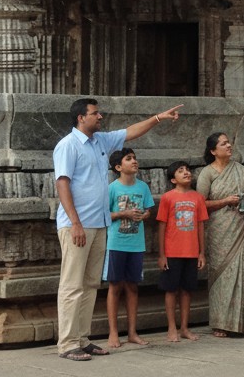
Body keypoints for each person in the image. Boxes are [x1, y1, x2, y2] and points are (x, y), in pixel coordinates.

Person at [53, 98, 182, 362]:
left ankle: (82, 339)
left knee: (90, 284)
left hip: (100, 224)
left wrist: (158, 117)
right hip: (77, 225)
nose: (99, 117)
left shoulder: (101, 141)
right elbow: (62, 184)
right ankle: (67, 343)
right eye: (95, 113)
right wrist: (75, 222)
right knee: (72, 285)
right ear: (81, 118)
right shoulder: (67, 146)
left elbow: (131, 131)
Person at [196, 131, 244, 337]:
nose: (229, 146)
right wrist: (225, 201)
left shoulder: (241, 170)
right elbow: (200, 204)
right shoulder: (208, 173)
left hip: (242, 228)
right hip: (219, 231)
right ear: (213, 151)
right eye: (223, 144)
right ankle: (221, 323)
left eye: (229, 142)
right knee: (222, 274)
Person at [104, 148, 153, 348]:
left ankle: (132, 332)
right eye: (128, 159)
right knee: (115, 286)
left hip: (136, 244)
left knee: (133, 286)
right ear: (118, 167)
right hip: (116, 244)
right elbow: (104, 215)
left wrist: (144, 216)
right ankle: (113, 332)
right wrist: (123, 214)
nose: (134, 161)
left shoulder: (143, 187)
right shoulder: (112, 189)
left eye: (134, 158)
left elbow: (148, 210)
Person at [156, 160, 209, 342]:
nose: (186, 173)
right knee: (170, 290)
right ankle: (171, 327)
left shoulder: (198, 198)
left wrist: (201, 252)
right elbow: (162, 227)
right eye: (181, 171)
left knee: (187, 290)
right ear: (173, 179)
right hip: (172, 252)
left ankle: (185, 327)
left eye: (187, 170)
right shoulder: (167, 198)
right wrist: (162, 255)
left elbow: (201, 226)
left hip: (191, 252)